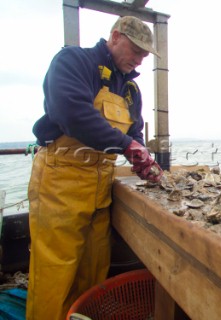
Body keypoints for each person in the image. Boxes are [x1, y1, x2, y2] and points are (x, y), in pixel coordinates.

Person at [26, 16, 163, 320]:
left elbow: (134, 133)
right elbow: (71, 112)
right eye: (136, 50)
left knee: (93, 270)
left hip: (99, 192)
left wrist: (142, 159)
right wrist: (128, 146)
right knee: (54, 273)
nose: (140, 59)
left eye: (145, 55)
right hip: (61, 183)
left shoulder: (130, 90)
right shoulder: (75, 61)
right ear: (115, 37)